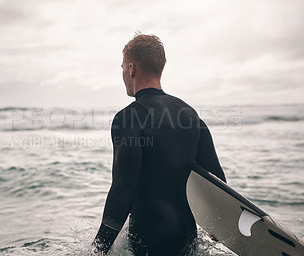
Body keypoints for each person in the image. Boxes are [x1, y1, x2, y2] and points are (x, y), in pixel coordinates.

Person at [92, 33, 226, 255]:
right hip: (186, 235)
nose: (123, 74)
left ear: (131, 69)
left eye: (123, 67)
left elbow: (123, 188)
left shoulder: (129, 117)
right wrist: (218, 226)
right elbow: (217, 179)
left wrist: (97, 249)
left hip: (149, 236)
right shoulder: (190, 114)